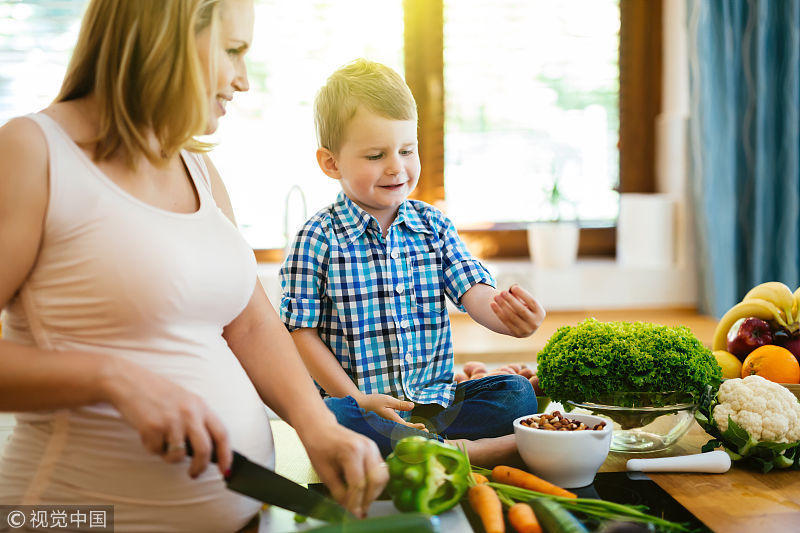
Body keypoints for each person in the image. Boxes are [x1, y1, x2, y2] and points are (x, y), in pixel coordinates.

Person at [0, 1, 387, 530]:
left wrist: (316, 424)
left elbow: (249, 322)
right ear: (167, 36)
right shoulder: (33, 151)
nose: (243, 80)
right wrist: (111, 377)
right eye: (232, 50)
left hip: (246, 514)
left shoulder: (196, 166)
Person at [280, 59, 546, 464]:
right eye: (375, 155)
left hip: (436, 402)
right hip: (365, 407)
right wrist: (356, 398)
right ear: (331, 163)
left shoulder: (433, 225)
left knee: (516, 394)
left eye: (406, 150)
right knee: (330, 417)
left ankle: (429, 447)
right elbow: (301, 334)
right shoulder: (316, 239)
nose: (396, 167)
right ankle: (465, 452)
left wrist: (508, 317)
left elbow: (472, 290)